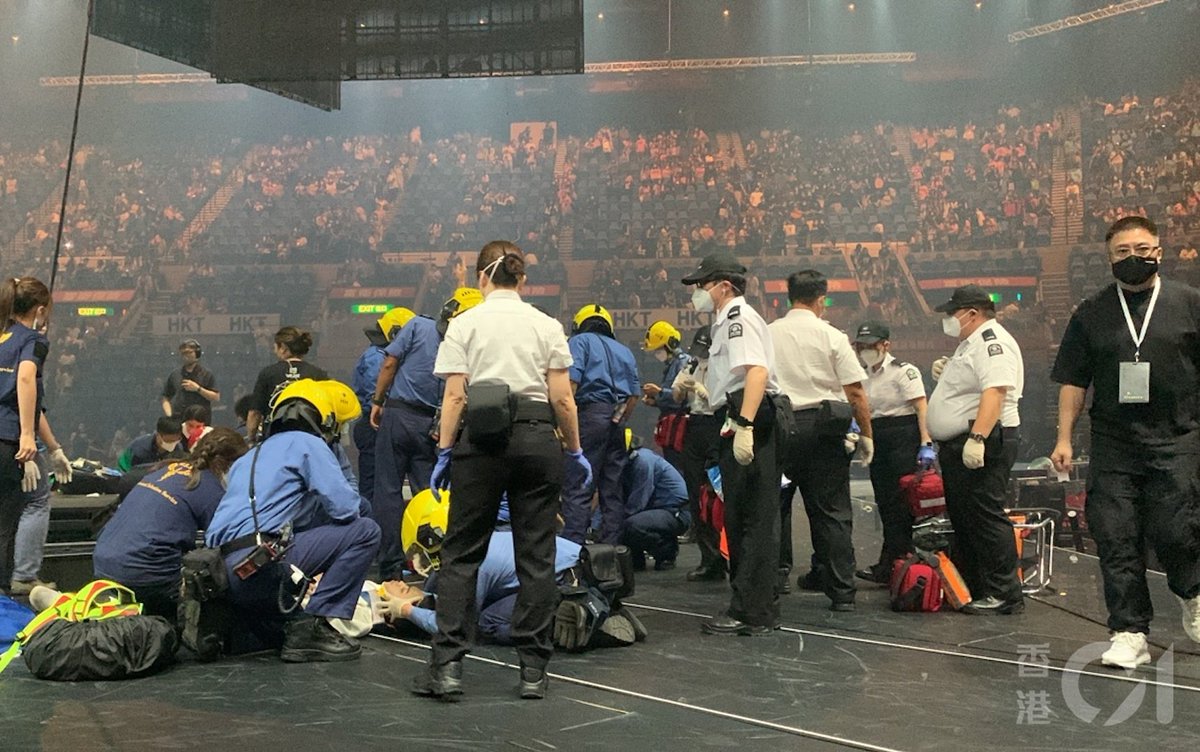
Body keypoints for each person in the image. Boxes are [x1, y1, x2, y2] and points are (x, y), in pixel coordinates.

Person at [411, 240, 590, 702]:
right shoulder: (546, 324)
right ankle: (533, 672)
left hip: (481, 441)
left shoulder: (465, 323)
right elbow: (562, 399)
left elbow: (455, 396)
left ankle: (447, 669)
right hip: (537, 439)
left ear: (480, 277)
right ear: (522, 278)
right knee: (537, 556)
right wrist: (573, 450)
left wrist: (445, 451)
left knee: (461, 555)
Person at [1051, 215, 1200, 668]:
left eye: (1141, 249)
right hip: (1114, 443)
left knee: (1177, 528)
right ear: (1108, 257)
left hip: (1178, 437)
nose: (1132, 257)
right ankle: (1129, 632)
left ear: (1159, 251)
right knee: (1115, 536)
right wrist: (1064, 438)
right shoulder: (1091, 312)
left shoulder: (1190, 303)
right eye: (1122, 251)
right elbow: (1073, 381)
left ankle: (1193, 594)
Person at [205, 379, 380, 663]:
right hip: (261, 565)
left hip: (223, 572)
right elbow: (347, 509)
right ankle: (315, 627)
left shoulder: (250, 456)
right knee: (366, 530)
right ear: (324, 420)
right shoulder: (308, 444)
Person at [681, 253, 782, 635]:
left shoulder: (738, 319)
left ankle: (751, 611)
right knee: (742, 516)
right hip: (738, 412)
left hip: (748, 414)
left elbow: (756, 372)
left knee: (751, 518)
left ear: (724, 286)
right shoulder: (727, 321)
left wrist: (744, 424)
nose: (697, 293)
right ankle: (753, 606)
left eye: (702, 285)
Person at [768, 270, 872, 610]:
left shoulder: (769, 334)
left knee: (774, 508)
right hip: (825, 432)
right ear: (821, 300)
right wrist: (866, 434)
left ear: (789, 297)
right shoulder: (832, 336)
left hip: (781, 429)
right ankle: (842, 592)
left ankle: (773, 583)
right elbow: (855, 392)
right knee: (832, 512)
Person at [369, 289, 481, 580]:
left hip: (398, 415)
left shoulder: (418, 325)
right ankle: (430, 564)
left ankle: (390, 566)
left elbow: (390, 363)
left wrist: (378, 401)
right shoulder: (470, 344)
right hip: (433, 425)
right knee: (429, 495)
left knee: (388, 491)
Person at [379, 490, 586, 646]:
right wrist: (420, 598)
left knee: (487, 622)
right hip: (567, 568)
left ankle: (565, 618)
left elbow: (457, 626)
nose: (398, 583)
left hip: (574, 577)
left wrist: (406, 610)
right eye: (400, 589)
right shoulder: (474, 544)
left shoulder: (475, 561)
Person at [927, 284, 1024, 615]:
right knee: (965, 516)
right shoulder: (969, 343)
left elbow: (995, 391)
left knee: (985, 515)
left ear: (972, 313)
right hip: (960, 441)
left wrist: (978, 438)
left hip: (985, 437)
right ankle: (977, 585)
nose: (948, 319)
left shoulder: (992, 342)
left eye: (952, 313)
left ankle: (1004, 593)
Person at [93, 428, 248, 620]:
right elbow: (229, 541)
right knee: (219, 589)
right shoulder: (211, 488)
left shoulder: (166, 468)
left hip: (103, 564)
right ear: (231, 464)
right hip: (146, 575)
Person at [0, 277, 70, 595]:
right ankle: (23, 576)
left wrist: (53, 448)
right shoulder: (33, 341)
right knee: (36, 499)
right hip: (10, 439)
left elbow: (32, 404)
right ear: (40, 310)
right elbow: (26, 380)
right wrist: (27, 437)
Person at [852, 320, 935, 584]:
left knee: (900, 504)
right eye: (861, 346)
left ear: (885, 345)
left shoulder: (904, 371)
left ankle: (899, 562)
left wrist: (926, 442)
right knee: (885, 503)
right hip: (876, 435)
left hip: (902, 434)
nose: (865, 350)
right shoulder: (861, 374)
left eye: (871, 345)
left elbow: (921, 407)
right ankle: (891, 563)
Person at [562, 304, 640, 545]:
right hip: (617, 420)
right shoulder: (624, 350)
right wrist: (619, 419)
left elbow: (571, 385)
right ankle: (612, 552)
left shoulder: (579, 342)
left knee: (580, 484)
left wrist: (563, 425)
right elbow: (633, 396)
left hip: (589, 416)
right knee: (612, 489)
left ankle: (573, 550)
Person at [672, 326, 727, 582]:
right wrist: (683, 388)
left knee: (717, 494)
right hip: (694, 425)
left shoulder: (722, 365)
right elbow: (676, 394)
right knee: (695, 493)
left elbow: (719, 400)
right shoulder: (692, 363)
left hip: (715, 424)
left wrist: (701, 390)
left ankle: (725, 555)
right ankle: (709, 558)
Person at [352, 307, 415, 506]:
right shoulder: (376, 357)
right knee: (373, 484)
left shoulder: (388, 355)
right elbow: (376, 393)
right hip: (375, 425)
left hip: (384, 423)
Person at [621, 433, 690, 571]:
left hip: (675, 511)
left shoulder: (643, 462)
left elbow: (638, 503)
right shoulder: (626, 465)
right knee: (623, 523)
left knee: (630, 525)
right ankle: (636, 560)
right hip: (656, 511)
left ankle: (667, 550)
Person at [246, 326, 328, 441]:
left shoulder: (268, 373)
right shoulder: (318, 374)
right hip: (310, 439)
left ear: (283, 348)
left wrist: (251, 439)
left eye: (275, 346)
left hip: (274, 440)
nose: (274, 350)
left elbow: (255, 413)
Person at [640, 321, 691, 471]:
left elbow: (684, 396)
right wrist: (655, 401)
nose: (657, 354)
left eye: (658, 349)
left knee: (679, 468)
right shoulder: (672, 366)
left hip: (681, 427)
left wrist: (659, 392)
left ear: (670, 345)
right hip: (672, 427)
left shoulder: (683, 363)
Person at [161, 339, 219, 423]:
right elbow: (165, 397)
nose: (185, 356)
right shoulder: (175, 374)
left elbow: (216, 397)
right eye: (183, 353)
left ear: (197, 354)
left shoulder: (206, 374)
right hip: (179, 419)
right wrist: (169, 415)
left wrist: (198, 389)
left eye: (189, 352)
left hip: (200, 420)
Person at [116, 416, 188, 472]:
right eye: (169, 441)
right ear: (158, 435)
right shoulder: (138, 448)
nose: (173, 444)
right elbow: (124, 470)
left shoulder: (178, 448)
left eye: (177, 440)